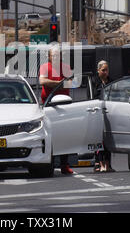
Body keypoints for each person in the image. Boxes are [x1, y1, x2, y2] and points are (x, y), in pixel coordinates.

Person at [39, 46, 74, 175]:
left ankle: (65, 164)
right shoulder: (44, 67)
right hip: (49, 106)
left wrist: (54, 83)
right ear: (49, 56)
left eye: (58, 56)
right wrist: (58, 83)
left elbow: (70, 83)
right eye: (53, 56)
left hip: (64, 106)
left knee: (65, 135)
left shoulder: (65, 67)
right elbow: (42, 80)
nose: (56, 58)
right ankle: (51, 164)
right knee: (50, 136)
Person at [93, 60, 115, 173]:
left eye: (107, 70)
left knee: (108, 139)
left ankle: (108, 164)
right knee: (98, 139)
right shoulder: (94, 82)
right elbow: (91, 97)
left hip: (109, 112)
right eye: (103, 70)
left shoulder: (111, 81)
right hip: (97, 113)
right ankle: (99, 163)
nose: (105, 72)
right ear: (98, 71)